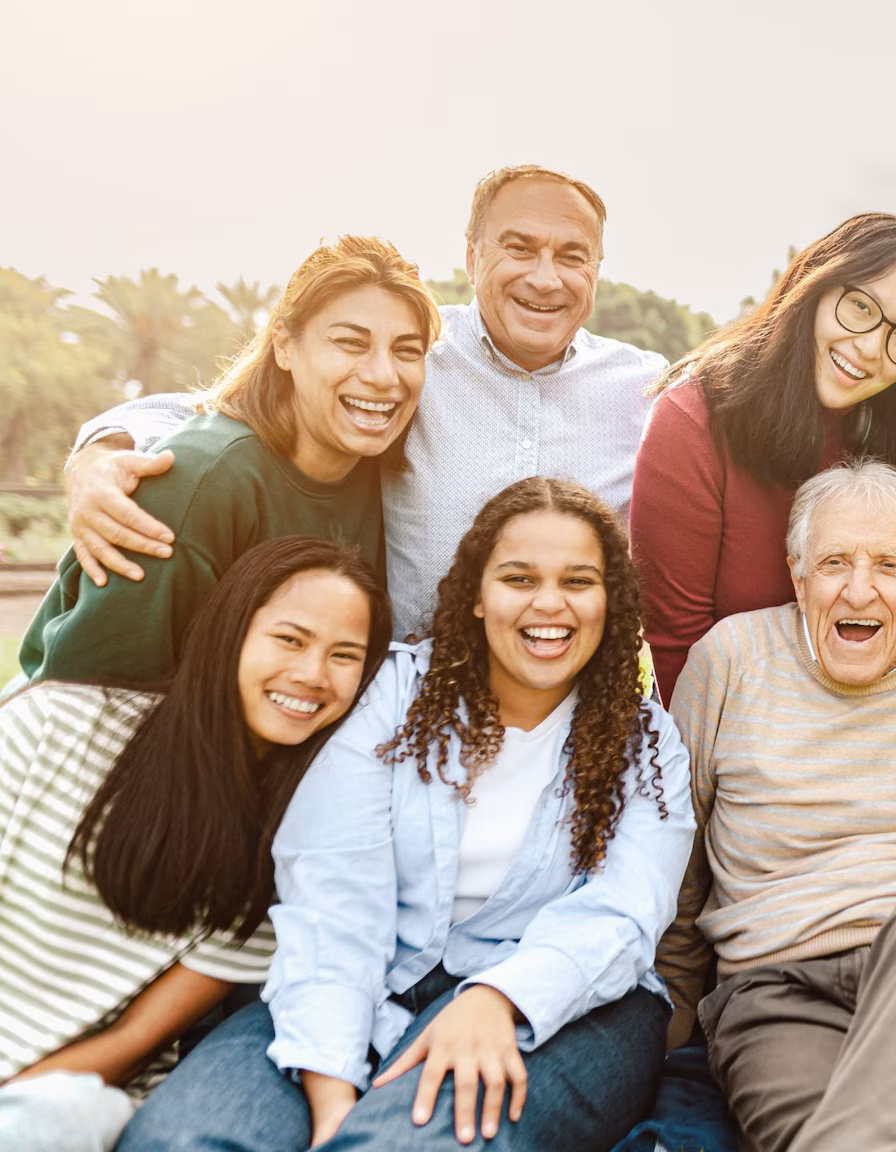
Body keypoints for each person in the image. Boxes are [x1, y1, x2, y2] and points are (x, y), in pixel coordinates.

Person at [120, 478, 693, 1152]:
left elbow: (623, 914)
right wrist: (330, 1093)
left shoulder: (645, 743)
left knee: (410, 1145)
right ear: (477, 596)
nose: (548, 604)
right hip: (355, 978)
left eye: (578, 581)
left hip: (563, 1005)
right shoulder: (395, 696)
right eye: (518, 578)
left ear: (610, 601)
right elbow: (335, 889)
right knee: (182, 1140)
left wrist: (495, 999)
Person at [61, 165, 669, 638]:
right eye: (519, 248)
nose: (545, 277)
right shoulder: (409, 355)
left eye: (571, 256)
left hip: (565, 712)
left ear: (596, 269)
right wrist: (99, 453)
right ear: (473, 256)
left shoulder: (645, 392)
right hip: (400, 705)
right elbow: (226, 408)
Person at [650, 460, 896, 1151]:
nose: (858, 589)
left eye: (890, 566)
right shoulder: (731, 660)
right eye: (834, 562)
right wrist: (675, 1006)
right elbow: (676, 858)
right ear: (799, 577)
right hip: (779, 995)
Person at [0, 538, 390, 1152]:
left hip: (61, 1098)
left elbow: (133, 1041)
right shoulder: (55, 725)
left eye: (345, 655)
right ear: (230, 632)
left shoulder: (287, 851)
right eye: (290, 639)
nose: (312, 675)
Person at [17, 236, 434, 687]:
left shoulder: (392, 469)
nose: (382, 375)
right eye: (350, 342)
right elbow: (90, 695)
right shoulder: (200, 480)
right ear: (284, 346)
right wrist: (95, 451)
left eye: (407, 351)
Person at [634, 213, 896, 700]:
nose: (872, 348)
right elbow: (679, 651)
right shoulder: (694, 422)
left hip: (893, 726)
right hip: (746, 737)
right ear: (814, 288)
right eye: (860, 307)